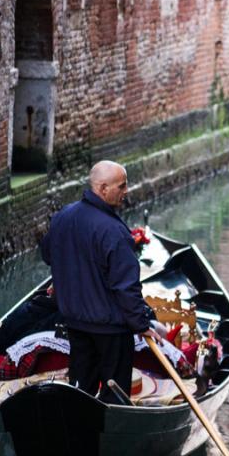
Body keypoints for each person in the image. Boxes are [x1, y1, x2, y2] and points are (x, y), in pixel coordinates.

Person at [41, 160, 158, 403]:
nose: (126, 191)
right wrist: (142, 323)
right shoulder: (114, 231)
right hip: (111, 330)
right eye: (122, 186)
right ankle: (110, 432)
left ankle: (79, 432)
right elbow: (126, 286)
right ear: (103, 189)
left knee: (81, 388)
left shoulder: (62, 217)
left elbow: (49, 255)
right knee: (115, 394)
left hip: (75, 322)